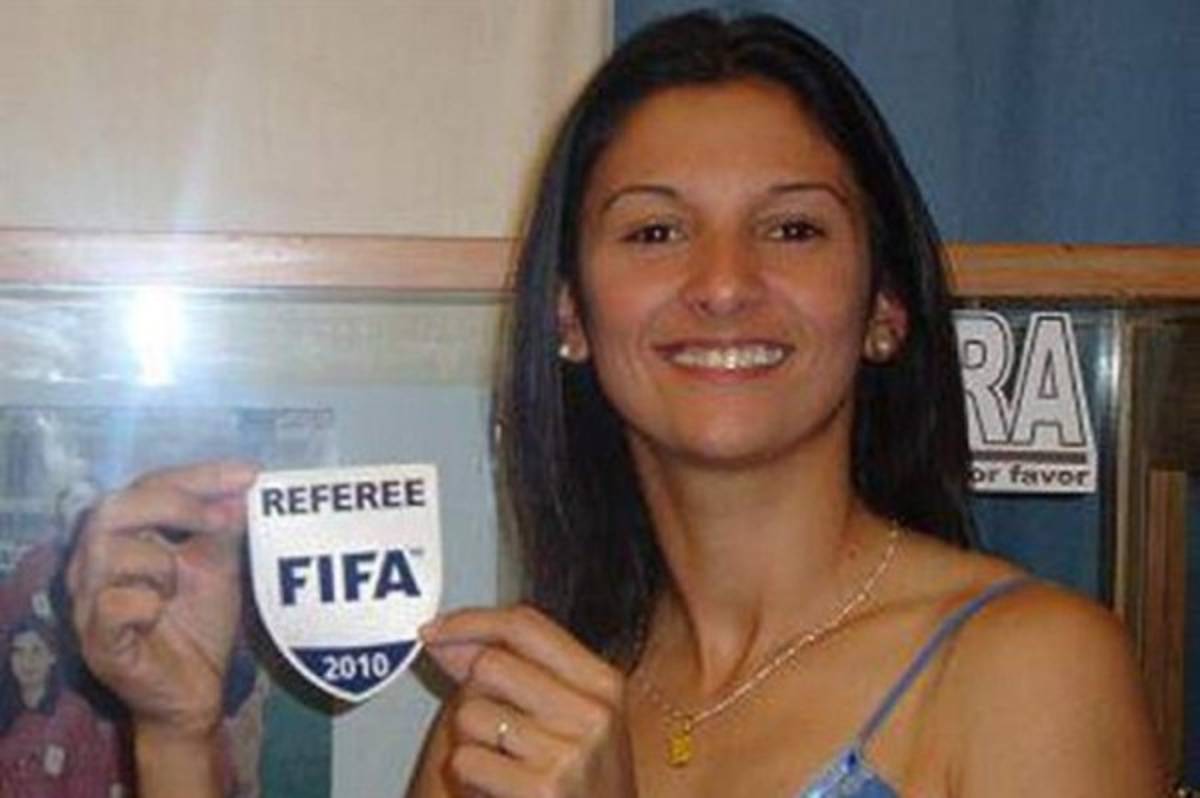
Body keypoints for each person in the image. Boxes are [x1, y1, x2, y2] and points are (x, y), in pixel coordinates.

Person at [65, 11, 1162, 797]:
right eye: (654, 231)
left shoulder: (1029, 667)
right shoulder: (516, 709)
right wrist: (180, 736)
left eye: (792, 229)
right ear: (570, 316)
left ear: (883, 306)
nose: (723, 283)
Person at [0, 616, 126, 798]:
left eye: (36, 651)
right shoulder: (6, 714)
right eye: (18, 652)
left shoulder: (72, 712)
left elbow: (92, 780)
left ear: (52, 657)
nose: (27, 661)